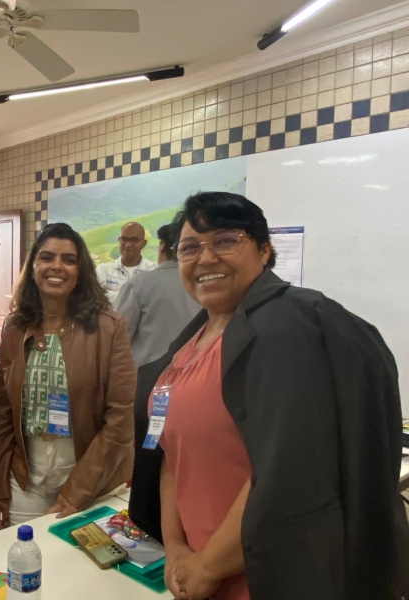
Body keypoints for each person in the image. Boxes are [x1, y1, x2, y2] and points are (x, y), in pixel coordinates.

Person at [129, 192, 409, 600]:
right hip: (196, 573)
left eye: (226, 240)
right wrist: (175, 548)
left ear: (264, 250)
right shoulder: (191, 341)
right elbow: (171, 451)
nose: (205, 258)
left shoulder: (290, 331)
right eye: (189, 247)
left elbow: (292, 472)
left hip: (269, 576)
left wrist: (209, 566)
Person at [0, 223, 136, 529]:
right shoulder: (15, 327)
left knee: (77, 560)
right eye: (47, 257)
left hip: (90, 476)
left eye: (69, 260)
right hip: (26, 476)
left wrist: (76, 491)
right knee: (23, 554)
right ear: (33, 267)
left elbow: (121, 419)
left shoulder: (109, 328)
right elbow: (2, 412)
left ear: (81, 271)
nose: (57, 266)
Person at [115, 223, 201, 368]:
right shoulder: (203, 285)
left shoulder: (138, 284)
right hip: (195, 371)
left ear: (162, 246)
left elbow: (118, 338)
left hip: (148, 374)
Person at [95, 221, 156, 306]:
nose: (128, 245)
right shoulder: (103, 269)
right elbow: (97, 299)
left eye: (134, 240)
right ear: (118, 241)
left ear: (143, 243)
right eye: (124, 239)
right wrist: (139, 297)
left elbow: (154, 301)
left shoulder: (154, 270)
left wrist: (110, 295)